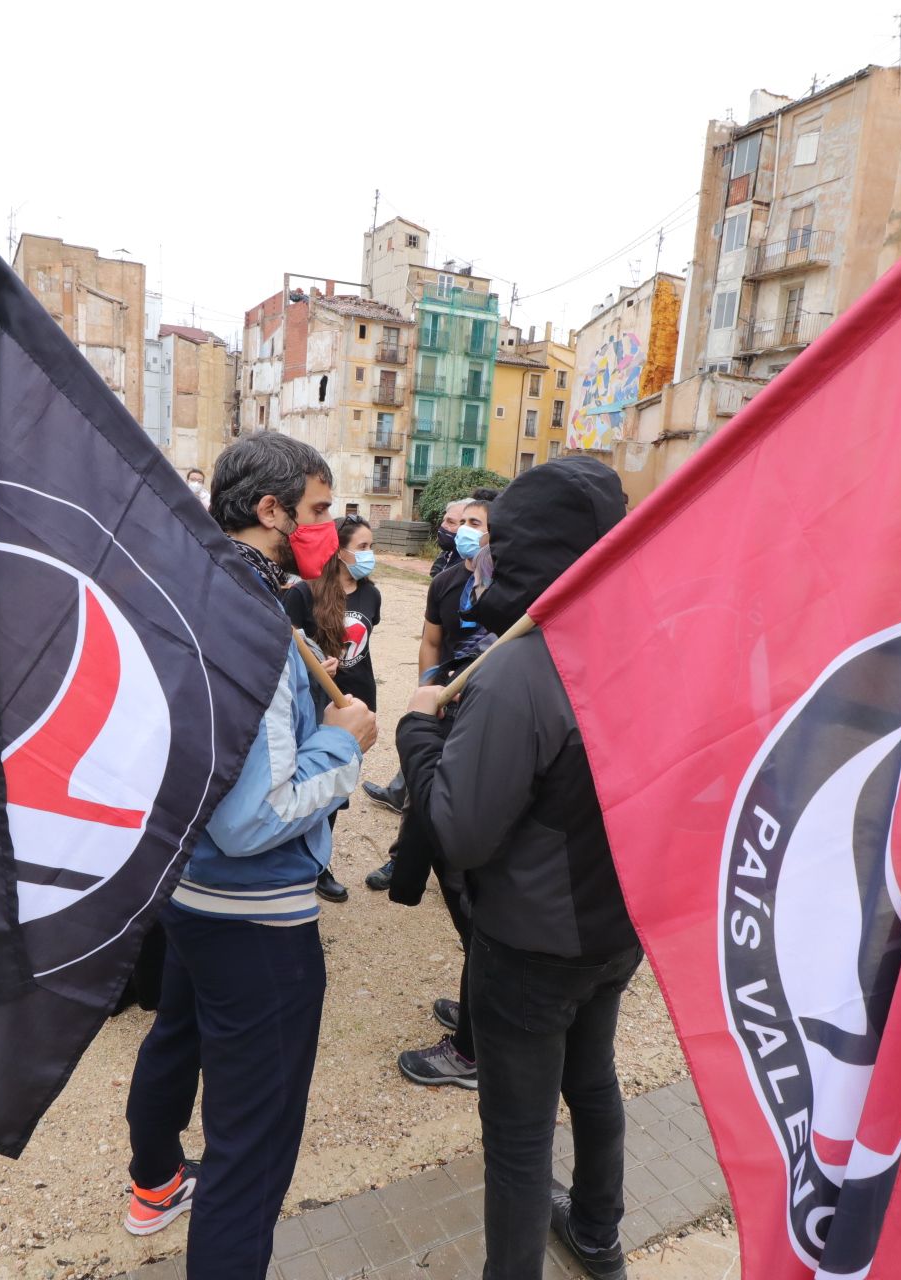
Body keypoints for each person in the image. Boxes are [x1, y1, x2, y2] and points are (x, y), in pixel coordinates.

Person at [122, 432, 376, 1277]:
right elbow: (252, 817)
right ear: (268, 511)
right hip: (255, 918)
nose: (327, 529)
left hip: (189, 895)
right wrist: (342, 747)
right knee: (251, 1154)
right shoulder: (252, 625)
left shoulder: (192, 593)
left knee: (178, 1036)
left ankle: (153, 1182)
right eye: (314, 511)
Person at [396, 457, 636, 1279]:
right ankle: (599, 1234)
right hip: (616, 930)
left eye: (496, 539)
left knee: (521, 1137)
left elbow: (458, 833)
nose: (480, 552)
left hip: (529, 949)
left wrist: (420, 732)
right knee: (594, 1078)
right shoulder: (653, 653)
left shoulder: (522, 671)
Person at [363, 500, 493, 889]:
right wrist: (427, 690)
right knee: (424, 785)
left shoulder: (507, 585)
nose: (464, 530)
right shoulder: (445, 582)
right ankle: (404, 862)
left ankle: (469, 873)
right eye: (462, 522)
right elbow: (431, 641)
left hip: (486, 702)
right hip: (444, 700)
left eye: (476, 523)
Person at [283, 515, 380, 905]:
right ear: (338, 551)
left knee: (338, 788)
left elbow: (366, 645)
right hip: (318, 704)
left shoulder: (372, 594)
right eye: (363, 547)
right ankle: (299, 862)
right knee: (312, 780)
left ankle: (319, 864)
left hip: (357, 699)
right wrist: (315, 665)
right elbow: (286, 650)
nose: (370, 555)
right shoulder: (303, 594)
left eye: (372, 546)